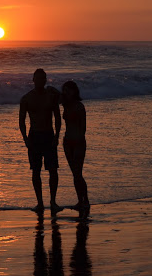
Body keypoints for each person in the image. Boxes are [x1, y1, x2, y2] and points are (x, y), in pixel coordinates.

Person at [20, 68, 63, 213]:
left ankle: (53, 201)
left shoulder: (51, 97)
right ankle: (39, 203)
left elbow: (57, 117)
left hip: (49, 135)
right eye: (38, 78)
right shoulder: (26, 98)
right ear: (33, 80)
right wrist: (25, 139)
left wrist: (57, 136)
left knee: (53, 170)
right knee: (36, 171)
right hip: (34, 136)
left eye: (43, 78)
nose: (40, 81)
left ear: (46, 80)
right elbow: (21, 121)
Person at [61, 80, 89, 213]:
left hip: (78, 142)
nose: (67, 93)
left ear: (75, 91)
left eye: (69, 90)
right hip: (67, 142)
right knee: (75, 173)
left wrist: (79, 141)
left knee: (78, 173)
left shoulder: (79, 106)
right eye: (65, 90)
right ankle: (80, 200)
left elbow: (83, 128)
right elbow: (50, 90)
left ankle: (86, 200)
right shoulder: (65, 105)